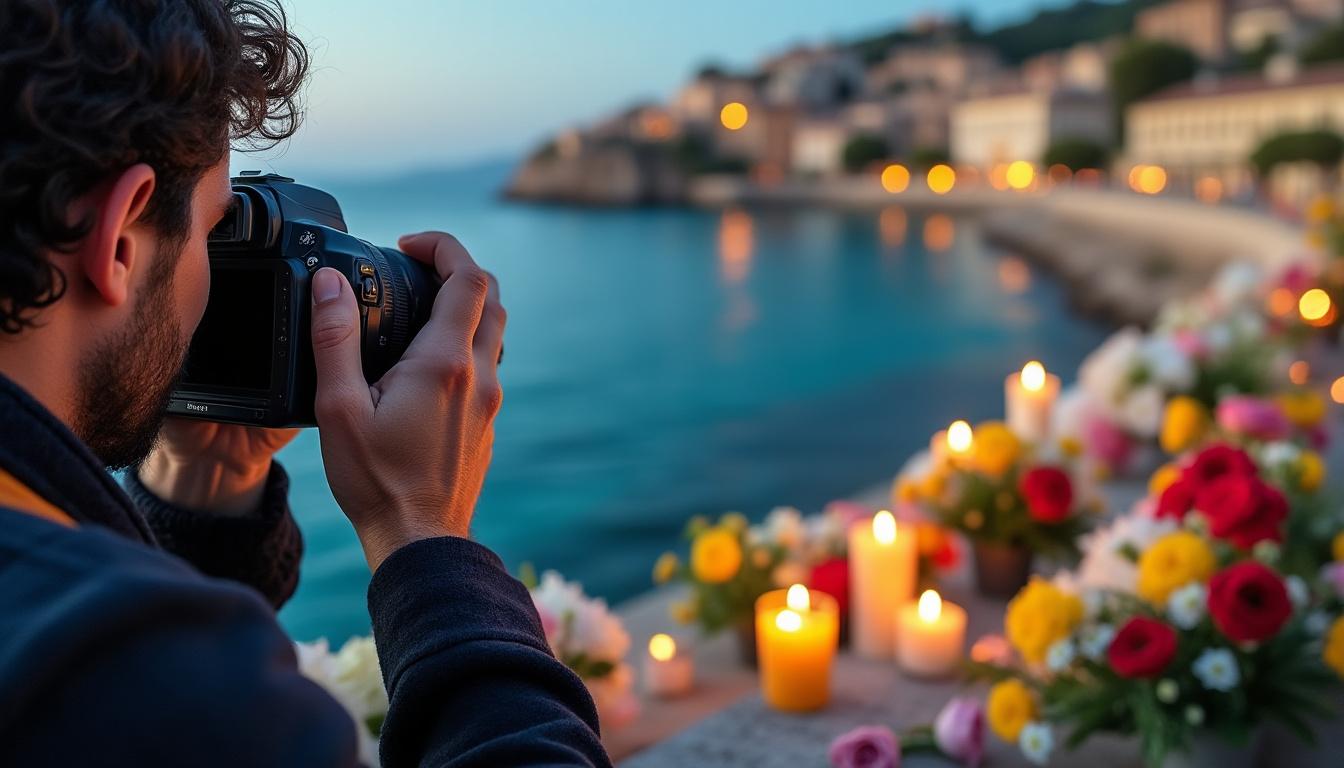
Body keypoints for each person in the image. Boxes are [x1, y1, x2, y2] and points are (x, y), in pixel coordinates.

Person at [0, 1, 611, 766]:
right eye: (210, 227)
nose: (211, 287)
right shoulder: (129, 679)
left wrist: (203, 486)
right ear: (120, 238)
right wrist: (421, 531)